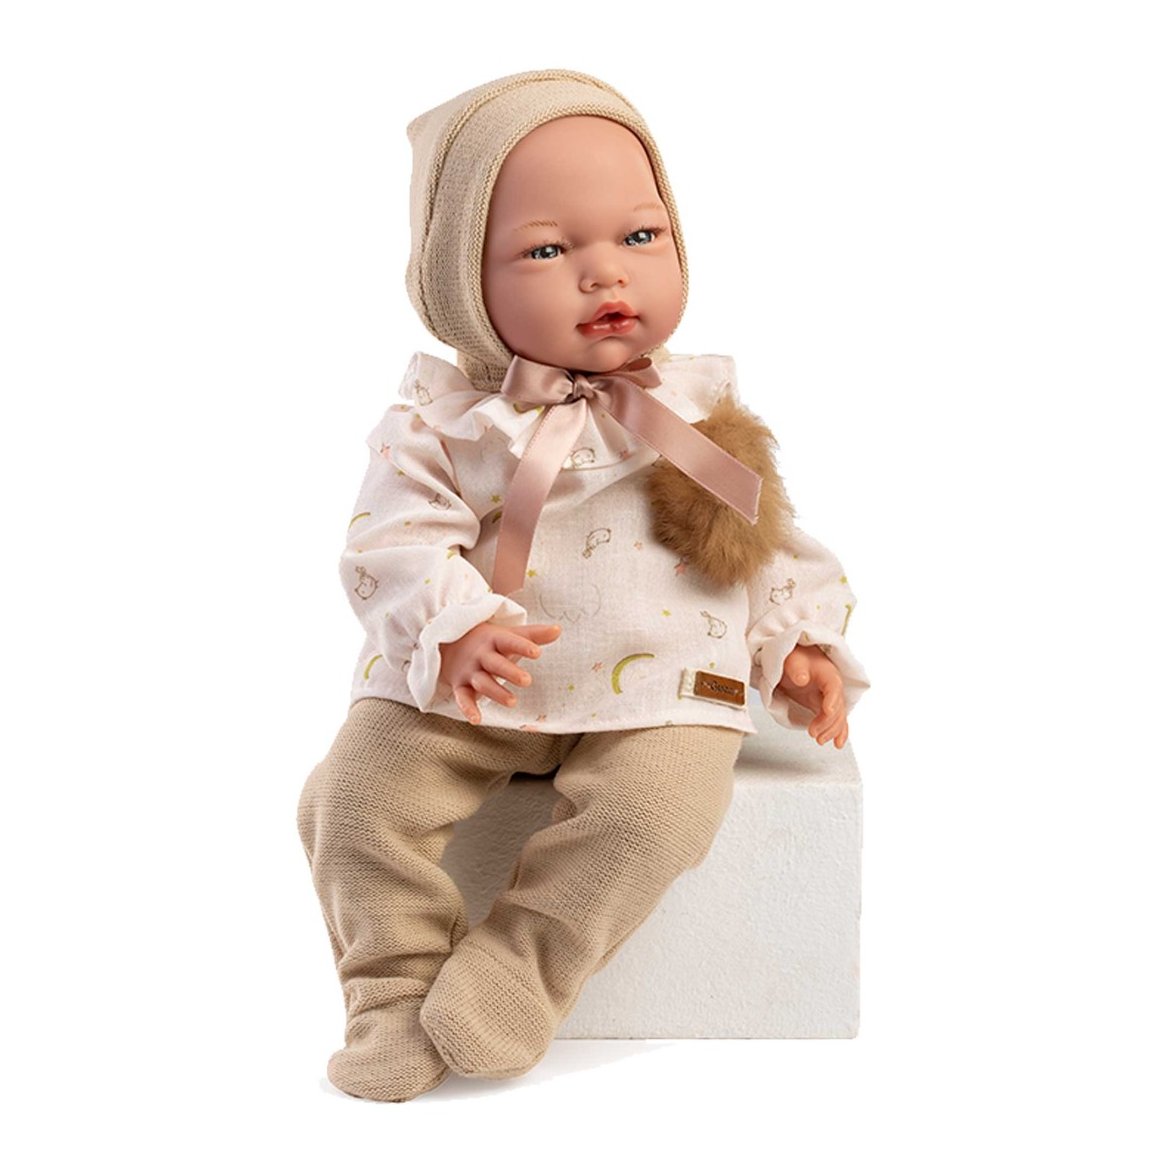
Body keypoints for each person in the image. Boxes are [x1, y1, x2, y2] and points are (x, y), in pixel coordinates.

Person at [297, 68, 870, 1103]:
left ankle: (519, 968)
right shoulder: (442, 422)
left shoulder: (697, 412)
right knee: (352, 800)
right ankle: (392, 987)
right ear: (459, 281)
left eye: (640, 236)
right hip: (478, 680)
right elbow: (391, 540)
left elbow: (761, 538)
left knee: (657, 813)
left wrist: (797, 641)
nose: (606, 273)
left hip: (659, 687)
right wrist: (453, 622)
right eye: (548, 250)